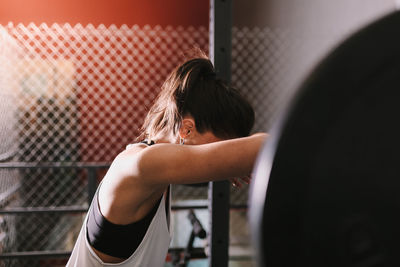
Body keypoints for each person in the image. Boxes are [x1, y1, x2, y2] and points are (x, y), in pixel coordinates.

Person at [66, 53, 268, 267]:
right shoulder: (141, 165)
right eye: (222, 144)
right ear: (186, 129)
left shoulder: (155, 174)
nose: (222, 152)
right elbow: (262, 145)